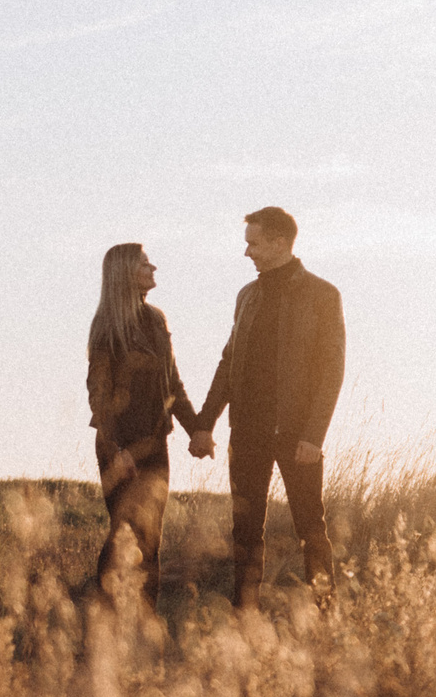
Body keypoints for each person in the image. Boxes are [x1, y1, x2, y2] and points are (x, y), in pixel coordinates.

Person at [188, 205, 346, 607]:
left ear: (280, 242)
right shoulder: (247, 295)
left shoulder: (322, 295)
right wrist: (205, 423)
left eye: (254, 244)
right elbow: (229, 362)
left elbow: (332, 371)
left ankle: (325, 612)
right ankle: (245, 617)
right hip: (246, 431)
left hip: (297, 436)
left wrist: (313, 436)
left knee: (311, 527)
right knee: (245, 531)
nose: (247, 254)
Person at [85, 242, 202, 607]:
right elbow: (99, 395)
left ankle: (146, 625)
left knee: (151, 539)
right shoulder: (108, 327)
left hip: (154, 444)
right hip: (120, 447)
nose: (154, 269)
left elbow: (173, 383)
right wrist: (117, 450)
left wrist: (197, 428)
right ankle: (100, 619)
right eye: (146, 264)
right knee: (125, 535)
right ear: (125, 274)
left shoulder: (155, 320)